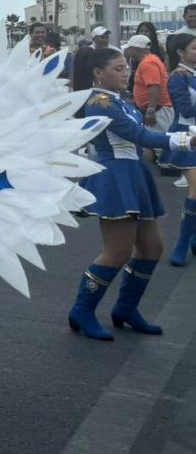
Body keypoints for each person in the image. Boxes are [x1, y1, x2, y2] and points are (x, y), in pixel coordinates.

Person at [69, 47, 192, 341]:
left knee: (151, 248)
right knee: (118, 250)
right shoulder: (99, 102)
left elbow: (139, 139)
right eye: (118, 68)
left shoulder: (117, 100)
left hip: (134, 173)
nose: (126, 73)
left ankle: (126, 308)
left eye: (126, 67)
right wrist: (184, 140)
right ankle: (82, 310)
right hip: (115, 176)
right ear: (98, 73)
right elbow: (138, 136)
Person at [161, 32, 196, 265]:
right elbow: (185, 109)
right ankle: (183, 243)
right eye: (194, 48)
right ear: (181, 53)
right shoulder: (178, 77)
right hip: (187, 137)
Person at [125, 33, 173, 166]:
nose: (128, 51)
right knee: (157, 139)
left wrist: (151, 110)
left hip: (157, 109)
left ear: (137, 49)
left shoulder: (147, 63)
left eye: (130, 48)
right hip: (158, 108)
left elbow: (154, 86)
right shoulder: (152, 59)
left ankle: (168, 166)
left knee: (157, 140)